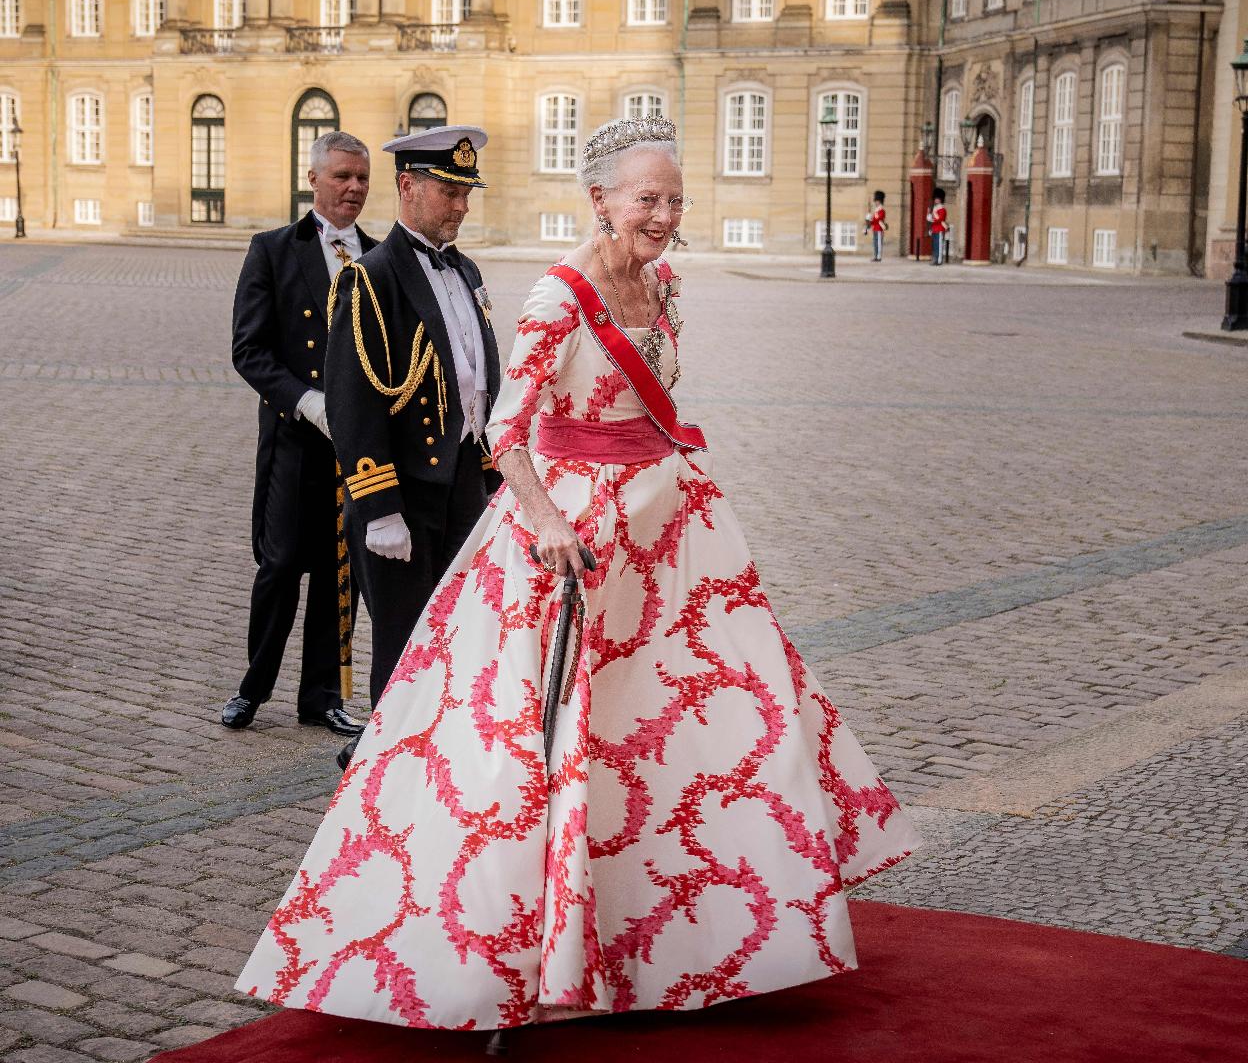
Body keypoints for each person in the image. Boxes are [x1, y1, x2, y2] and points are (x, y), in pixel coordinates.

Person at [237, 115, 917, 1034]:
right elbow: (508, 430)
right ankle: (527, 943)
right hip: (576, 537)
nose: (665, 215)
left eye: (675, 199)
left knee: (710, 715)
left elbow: (655, 397)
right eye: (648, 199)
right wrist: (547, 520)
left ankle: (700, 935)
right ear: (600, 200)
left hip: (669, 529)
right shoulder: (557, 297)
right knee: (547, 738)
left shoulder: (667, 288)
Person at [323, 125, 502, 749]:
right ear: (408, 187)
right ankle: (388, 763)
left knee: (460, 630)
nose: (461, 205)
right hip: (402, 492)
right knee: (403, 639)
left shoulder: (467, 269)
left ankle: (441, 755)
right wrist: (377, 508)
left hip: (461, 485)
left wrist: (493, 472)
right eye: (450, 191)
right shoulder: (370, 278)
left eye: (465, 192)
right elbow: (354, 405)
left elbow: (478, 376)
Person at [222, 132, 375, 738]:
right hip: (294, 438)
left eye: (362, 178)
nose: (354, 188)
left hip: (357, 447)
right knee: (282, 565)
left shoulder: (381, 256)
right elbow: (249, 351)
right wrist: (310, 403)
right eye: (341, 176)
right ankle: (253, 687)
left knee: (340, 570)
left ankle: (322, 697)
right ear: (312, 178)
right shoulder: (273, 251)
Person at [864, 189, 887, 262]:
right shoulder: (876, 211)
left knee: (879, 244)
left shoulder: (881, 210)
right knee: (875, 243)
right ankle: (875, 256)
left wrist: (871, 219)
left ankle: (879, 256)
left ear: (880, 201)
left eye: (877, 201)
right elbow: (874, 220)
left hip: (879, 229)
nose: (876, 202)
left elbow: (878, 219)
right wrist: (869, 220)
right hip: (875, 229)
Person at [928, 187, 949, 266]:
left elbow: (940, 219)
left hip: (940, 228)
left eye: (938, 198)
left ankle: (939, 260)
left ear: (941, 199)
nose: (936, 200)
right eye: (935, 198)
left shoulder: (942, 209)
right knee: (935, 246)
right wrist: (929, 216)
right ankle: (935, 259)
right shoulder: (934, 208)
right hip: (934, 229)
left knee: (939, 246)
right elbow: (931, 219)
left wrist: (932, 219)